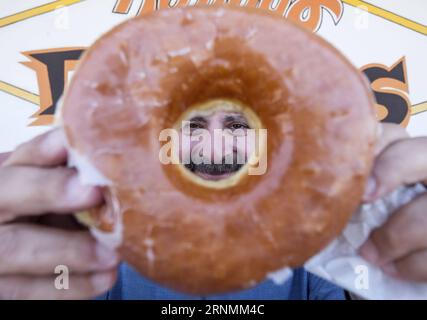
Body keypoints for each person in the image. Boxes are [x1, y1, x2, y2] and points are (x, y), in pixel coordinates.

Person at [0, 111, 425, 299]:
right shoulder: (105, 240)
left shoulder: (316, 242)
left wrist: (395, 270)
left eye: (238, 126)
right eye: (194, 126)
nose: (216, 147)